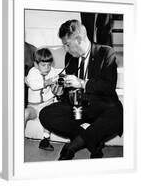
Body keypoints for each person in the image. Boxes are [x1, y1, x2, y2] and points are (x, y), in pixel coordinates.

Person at [39, 19, 123, 160]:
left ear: (78, 40)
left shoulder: (106, 52)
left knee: (117, 113)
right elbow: (68, 95)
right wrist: (60, 93)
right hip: (79, 109)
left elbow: (108, 87)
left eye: (67, 45)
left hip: (101, 107)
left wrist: (83, 83)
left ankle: (72, 146)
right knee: (46, 114)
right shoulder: (70, 57)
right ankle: (92, 140)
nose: (65, 49)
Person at [25, 47, 60, 151]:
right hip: (33, 107)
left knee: (50, 115)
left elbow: (57, 79)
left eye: (49, 65)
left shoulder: (53, 71)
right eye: (43, 65)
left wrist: (58, 83)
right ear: (36, 64)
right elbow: (33, 85)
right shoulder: (33, 72)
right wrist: (46, 82)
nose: (47, 68)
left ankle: (45, 140)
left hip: (47, 105)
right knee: (24, 113)